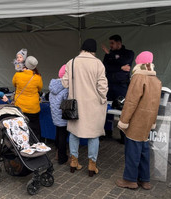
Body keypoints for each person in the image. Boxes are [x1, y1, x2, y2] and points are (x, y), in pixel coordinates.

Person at [62, 39, 108, 177]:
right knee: (93, 136)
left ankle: (74, 162)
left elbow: (64, 83)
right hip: (93, 106)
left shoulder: (72, 62)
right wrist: (103, 99)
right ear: (94, 50)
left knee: (74, 133)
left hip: (75, 106)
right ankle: (91, 166)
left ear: (82, 48)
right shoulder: (98, 63)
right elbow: (102, 87)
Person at [115, 51, 162, 190]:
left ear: (139, 63)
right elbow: (156, 104)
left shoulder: (138, 78)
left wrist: (123, 120)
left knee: (132, 151)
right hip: (148, 121)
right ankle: (144, 180)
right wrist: (153, 121)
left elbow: (130, 102)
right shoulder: (156, 80)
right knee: (144, 150)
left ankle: (130, 180)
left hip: (137, 121)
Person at [102, 35, 134, 143]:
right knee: (106, 108)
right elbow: (105, 67)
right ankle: (106, 132)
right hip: (109, 85)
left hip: (122, 86)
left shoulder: (128, 53)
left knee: (123, 110)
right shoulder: (108, 55)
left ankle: (123, 136)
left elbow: (125, 62)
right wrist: (120, 67)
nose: (110, 46)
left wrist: (111, 55)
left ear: (119, 43)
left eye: (112, 43)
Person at [12, 56, 43, 141]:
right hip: (33, 107)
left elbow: (14, 84)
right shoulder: (38, 77)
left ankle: (22, 147)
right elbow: (39, 88)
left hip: (20, 107)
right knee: (35, 128)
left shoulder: (17, 75)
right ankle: (35, 145)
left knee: (20, 128)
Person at [49, 64, 69, 165]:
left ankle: (57, 153)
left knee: (58, 133)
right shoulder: (65, 88)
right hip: (63, 115)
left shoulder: (53, 85)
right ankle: (62, 157)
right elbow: (68, 101)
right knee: (62, 136)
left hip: (55, 114)